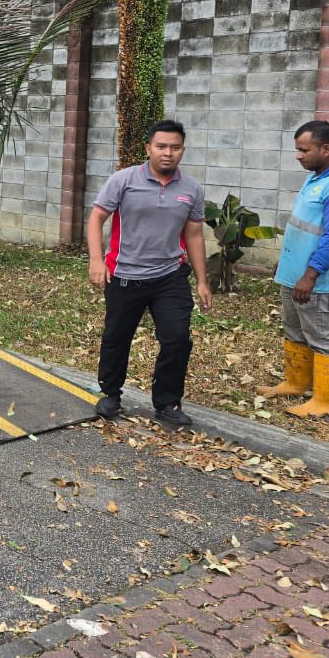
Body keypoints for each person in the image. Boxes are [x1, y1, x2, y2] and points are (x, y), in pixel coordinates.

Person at [86, 119, 213, 428]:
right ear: (148, 148)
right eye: (161, 146)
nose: (167, 153)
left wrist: (202, 280)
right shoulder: (123, 180)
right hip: (124, 275)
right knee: (117, 337)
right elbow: (96, 218)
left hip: (170, 276)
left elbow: (194, 235)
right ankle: (111, 394)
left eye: (175, 147)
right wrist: (96, 260)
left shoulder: (191, 189)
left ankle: (167, 402)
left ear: (182, 150)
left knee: (177, 338)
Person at [257, 120, 329, 417]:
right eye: (298, 149)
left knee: (321, 335)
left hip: (317, 280)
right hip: (295, 275)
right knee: (294, 329)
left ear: (325, 149)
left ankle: (326, 401)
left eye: (304, 150)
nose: (298, 155)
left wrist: (310, 275)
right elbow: (304, 228)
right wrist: (288, 263)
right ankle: (296, 382)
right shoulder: (317, 177)